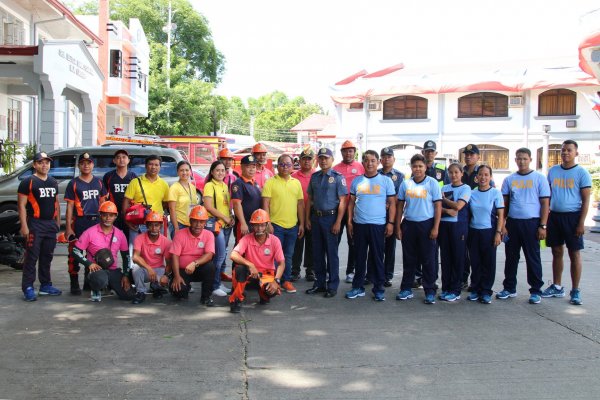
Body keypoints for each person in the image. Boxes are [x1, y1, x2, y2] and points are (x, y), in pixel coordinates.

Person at [542, 140, 592, 305]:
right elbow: (547, 196)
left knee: (574, 253)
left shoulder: (581, 173)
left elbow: (586, 200)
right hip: (555, 216)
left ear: (576, 153)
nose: (565, 153)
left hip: (573, 217)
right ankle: (557, 286)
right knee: (557, 251)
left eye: (569, 150)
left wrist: (581, 223)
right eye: (563, 150)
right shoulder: (553, 171)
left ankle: (575, 290)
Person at [498, 148, 550, 304]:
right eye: (519, 158)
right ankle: (509, 288)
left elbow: (545, 204)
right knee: (511, 257)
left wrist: (543, 225)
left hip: (532, 223)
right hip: (513, 223)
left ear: (530, 160)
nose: (522, 161)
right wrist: (503, 225)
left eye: (525, 159)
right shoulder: (509, 180)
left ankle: (535, 290)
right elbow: (504, 204)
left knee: (532, 258)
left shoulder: (539, 178)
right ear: (515, 160)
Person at [345, 150, 396, 302]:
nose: (370, 163)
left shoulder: (386, 181)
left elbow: (392, 203)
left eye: (373, 160)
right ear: (363, 163)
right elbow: (351, 203)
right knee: (359, 257)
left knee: (377, 257)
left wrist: (391, 223)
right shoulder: (357, 181)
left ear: (378, 162)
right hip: (359, 225)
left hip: (378, 225)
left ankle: (379, 288)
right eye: (366, 160)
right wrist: (349, 221)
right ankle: (357, 287)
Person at [395, 154, 442, 304]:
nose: (418, 169)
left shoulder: (432, 183)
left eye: (420, 166)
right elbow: (400, 206)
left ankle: (429, 290)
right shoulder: (405, 184)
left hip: (426, 225)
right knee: (409, 259)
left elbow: (438, 206)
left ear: (425, 167)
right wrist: (398, 226)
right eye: (415, 166)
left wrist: (435, 227)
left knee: (428, 259)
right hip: (409, 224)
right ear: (411, 167)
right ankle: (406, 288)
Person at [17, 152, 62, 301]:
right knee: (31, 257)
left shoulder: (53, 181)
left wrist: (57, 222)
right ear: (34, 165)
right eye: (41, 162)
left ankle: (45, 285)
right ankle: (28, 287)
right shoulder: (28, 182)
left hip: (50, 224)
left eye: (47, 162)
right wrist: (24, 226)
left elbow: (56, 203)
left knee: (47, 256)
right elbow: (21, 206)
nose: (44, 165)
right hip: (35, 224)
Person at [305, 148, 348, 298]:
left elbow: (343, 201)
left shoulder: (338, 177)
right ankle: (320, 283)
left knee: (332, 253)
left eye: (326, 158)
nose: (323, 161)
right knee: (317, 253)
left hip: (331, 219)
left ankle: (332, 285)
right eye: (321, 158)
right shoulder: (315, 177)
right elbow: (309, 200)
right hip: (316, 218)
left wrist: (338, 222)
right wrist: (307, 219)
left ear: (332, 159)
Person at [71, 201, 133, 302]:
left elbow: (126, 256)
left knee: (129, 296)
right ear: (100, 215)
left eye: (111, 215)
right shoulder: (89, 232)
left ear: (116, 216)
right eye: (105, 215)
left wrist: (125, 276)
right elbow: (75, 251)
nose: (108, 218)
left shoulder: (120, 234)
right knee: (100, 280)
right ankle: (96, 288)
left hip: (113, 270)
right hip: (96, 270)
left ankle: (110, 286)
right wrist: (89, 264)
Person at [65, 152, 108, 295]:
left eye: (88, 163)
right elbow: (70, 206)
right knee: (74, 253)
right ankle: (74, 282)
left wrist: (104, 223)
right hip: (80, 221)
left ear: (92, 165)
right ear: (79, 165)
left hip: (96, 221)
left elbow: (103, 204)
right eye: (83, 163)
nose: (86, 165)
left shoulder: (99, 182)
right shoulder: (74, 183)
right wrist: (68, 228)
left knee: (93, 253)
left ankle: (89, 281)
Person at [262, 153, 305, 294]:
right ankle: (272, 282)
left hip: (292, 226)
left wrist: (302, 224)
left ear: (292, 166)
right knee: (274, 255)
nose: (285, 167)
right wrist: (267, 222)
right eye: (282, 164)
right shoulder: (270, 182)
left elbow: (300, 204)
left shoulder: (296, 183)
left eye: (288, 164)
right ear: (277, 166)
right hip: (275, 226)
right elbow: (266, 204)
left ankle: (286, 280)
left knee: (288, 255)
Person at [229, 209, 285, 313]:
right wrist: (250, 264)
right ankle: (237, 299)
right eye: (256, 225)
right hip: (251, 273)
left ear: (267, 225)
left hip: (267, 274)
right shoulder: (247, 238)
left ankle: (263, 295)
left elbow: (281, 263)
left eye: (262, 225)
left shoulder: (275, 240)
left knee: (270, 292)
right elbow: (233, 254)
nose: (259, 228)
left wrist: (276, 281)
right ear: (252, 226)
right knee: (240, 269)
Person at [467, 165, 504, 304]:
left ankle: (486, 291)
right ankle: (475, 289)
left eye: (486, 175)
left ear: (490, 177)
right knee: (475, 262)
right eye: (480, 175)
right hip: (473, 232)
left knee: (488, 263)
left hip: (489, 232)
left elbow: (501, 215)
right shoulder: (472, 193)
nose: (483, 178)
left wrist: (498, 233)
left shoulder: (495, 193)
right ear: (476, 177)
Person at [367, 147, 404, 287]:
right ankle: (370, 274)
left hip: (391, 216)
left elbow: (400, 199)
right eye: (384, 157)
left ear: (393, 159)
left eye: (390, 156)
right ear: (380, 160)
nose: (387, 159)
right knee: (374, 246)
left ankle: (387, 275)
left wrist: (394, 220)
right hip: (375, 215)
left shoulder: (399, 176)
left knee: (389, 247)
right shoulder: (375, 173)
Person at [169, 205, 216, 306]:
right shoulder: (180, 234)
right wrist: (176, 276)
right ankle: (181, 285)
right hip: (182, 270)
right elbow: (174, 256)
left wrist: (195, 263)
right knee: (179, 293)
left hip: (199, 268)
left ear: (205, 223)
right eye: (195, 221)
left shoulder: (209, 235)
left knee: (211, 267)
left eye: (201, 222)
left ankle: (206, 297)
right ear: (190, 221)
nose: (198, 225)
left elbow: (209, 255)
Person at [122, 154, 170, 255]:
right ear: (145, 166)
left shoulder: (164, 184)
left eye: (156, 165)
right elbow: (126, 201)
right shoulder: (135, 182)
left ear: (160, 167)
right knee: (136, 251)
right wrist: (127, 221)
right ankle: (135, 270)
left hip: (157, 223)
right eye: (151, 164)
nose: (153, 167)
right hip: (138, 223)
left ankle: (154, 270)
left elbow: (165, 203)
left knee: (156, 252)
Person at [438, 163, 471, 302]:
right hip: (444, 226)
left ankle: (455, 290)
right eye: (451, 172)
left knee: (457, 258)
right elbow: (437, 206)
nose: (453, 175)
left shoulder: (466, 188)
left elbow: (458, 206)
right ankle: (446, 288)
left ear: (461, 173)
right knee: (445, 258)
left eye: (456, 172)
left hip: (459, 227)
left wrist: (445, 200)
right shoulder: (444, 188)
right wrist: (446, 210)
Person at [333, 140, 365, 283]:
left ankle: (350, 271)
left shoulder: (361, 167)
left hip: (355, 209)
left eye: (351, 151)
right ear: (341, 153)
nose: (348, 153)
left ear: (354, 152)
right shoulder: (335, 168)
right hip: (338, 209)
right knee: (334, 241)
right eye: (345, 151)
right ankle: (331, 271)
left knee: (353, 242)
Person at [203, 161, 234, 297]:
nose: (221, 173)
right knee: (219, 256)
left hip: (226, 224)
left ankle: (218, 282)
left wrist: (230, 217)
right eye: (217, 170)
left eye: (223, 170)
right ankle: (214, 286)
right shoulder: (209, 186)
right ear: (212, 172)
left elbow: (226, 205)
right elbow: (208, 207)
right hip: (215, 224)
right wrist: (225, 218)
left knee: (223, 255)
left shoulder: (224, 186)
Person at [131, 211, 172, 304]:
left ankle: (157, 288)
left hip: (159, 270)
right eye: (151, 225)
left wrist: (166, 276)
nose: (153, 228)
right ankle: (140, 292)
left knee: (165, 280)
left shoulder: (166, 241)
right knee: (135, 268)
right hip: (145, 269)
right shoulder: (139, 238)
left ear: (161, 226)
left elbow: (169, 263)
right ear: (146, 225)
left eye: (156, 225)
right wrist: (149, 268)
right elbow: (135, 257)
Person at [291, 148, 316, 282]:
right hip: (296, 213)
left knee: (312, 243)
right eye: (304, 159)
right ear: (299, 161)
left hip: (313, 213)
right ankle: (295, 270)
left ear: (313, 161)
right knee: (297, 243)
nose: (306, 161)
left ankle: (310, 270)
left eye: (309, 159)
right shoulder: (293, 176)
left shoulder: (317, 175)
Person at [103, 149, 136, 243]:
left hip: (129, 214)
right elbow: (104, 196)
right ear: (114, 161)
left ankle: (127, 258)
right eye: (118, 157)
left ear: (128, 160)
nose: (121, 159)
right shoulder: (108, 176)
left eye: (124, 157)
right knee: (111, 240)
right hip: (113, 214)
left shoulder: (133, 177)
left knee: (129, 241)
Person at [231, 155, 262, 243]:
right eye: (248, 166)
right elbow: (237, 205)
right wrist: (243, 223)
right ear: (241, 167)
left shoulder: (255, 183)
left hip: (255, 223)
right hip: (244, 223)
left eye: (254, 166)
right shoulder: (238, 184)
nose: (252, 169)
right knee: (242, 249)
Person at [168, 161, 198, 238]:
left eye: (187, 170)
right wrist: (176, 227)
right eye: (181, 170)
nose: (184, 172)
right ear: (177, 172)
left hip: (191, 224)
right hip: (179, 224)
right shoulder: (174, 188)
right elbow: (172, 209)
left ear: (190, 171)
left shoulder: (192, 187)